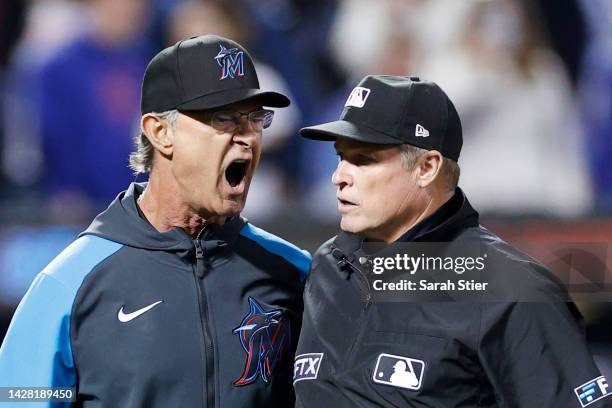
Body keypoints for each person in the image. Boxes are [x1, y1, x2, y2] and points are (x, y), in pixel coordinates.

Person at [0, 35, 311, 407]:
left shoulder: (291, 271)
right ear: (161, 133)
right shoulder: (71, 282)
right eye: (224, 118)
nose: (247, 137)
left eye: (255, 118)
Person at [294, 75, 610, 407]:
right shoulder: (327, 267)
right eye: (340, 157)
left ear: (427, 167)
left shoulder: (511, 290)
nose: (339, 176)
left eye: (363, 160)